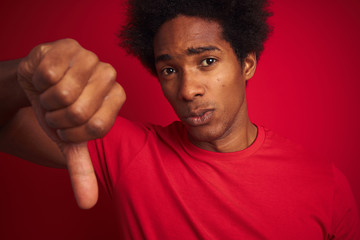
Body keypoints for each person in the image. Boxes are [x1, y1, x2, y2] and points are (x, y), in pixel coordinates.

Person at [0, 0, 359, 239]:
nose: (187, 90)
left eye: (207, 61)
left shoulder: (325, 185)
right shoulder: (128, 151)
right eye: (169, 69)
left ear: (247, 63)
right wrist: (23, 76)